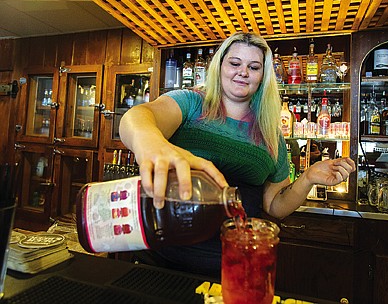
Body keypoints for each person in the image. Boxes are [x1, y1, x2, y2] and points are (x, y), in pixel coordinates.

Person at [119, 32, 355, 277]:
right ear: (219, 66)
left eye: (254, 67)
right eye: (234, 63)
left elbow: (274, 206)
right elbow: (136, 118)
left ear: (263, 77)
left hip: (234, 262)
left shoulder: (269, 132)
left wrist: (308, 178)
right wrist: (151, 143)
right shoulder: (191, 103)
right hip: (166, 257)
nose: (243, 72)